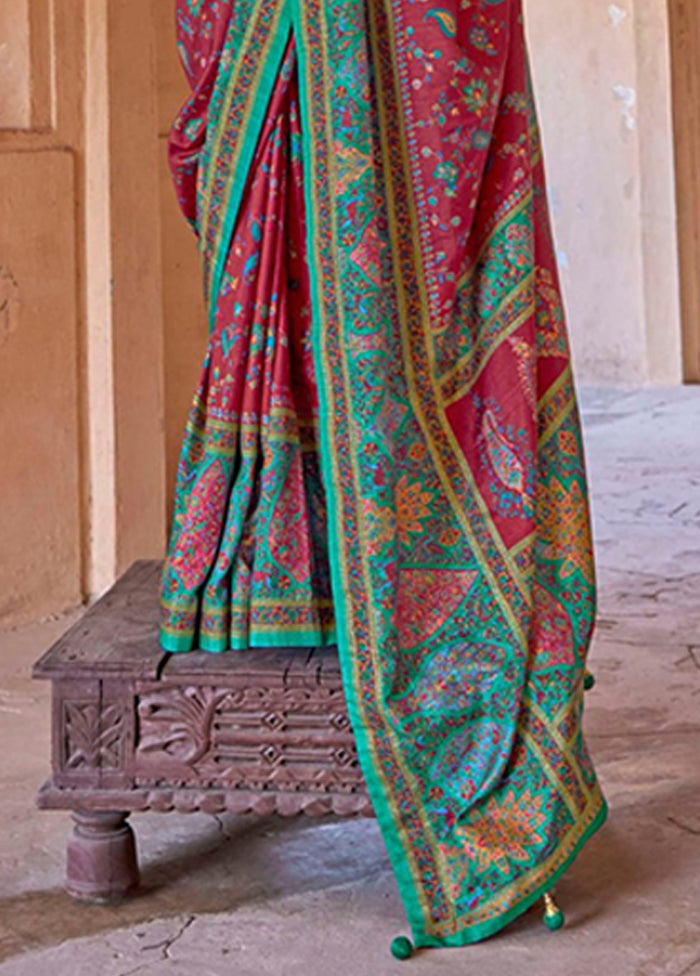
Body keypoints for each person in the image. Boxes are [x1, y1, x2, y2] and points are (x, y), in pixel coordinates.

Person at [160, 0, 607, 954]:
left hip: (347, 49)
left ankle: (355, 590)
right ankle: (276, 575)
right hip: (269, 58)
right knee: (278, 253)